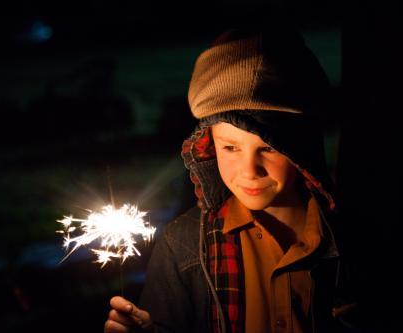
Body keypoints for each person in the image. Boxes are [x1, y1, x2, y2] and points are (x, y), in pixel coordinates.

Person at [105, 28, 351, 333]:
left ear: (302, 148)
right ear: (207, 149)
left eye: (268, 147)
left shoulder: (350, 237)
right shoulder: (184, 245)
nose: (250, 170)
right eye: (230, 147)